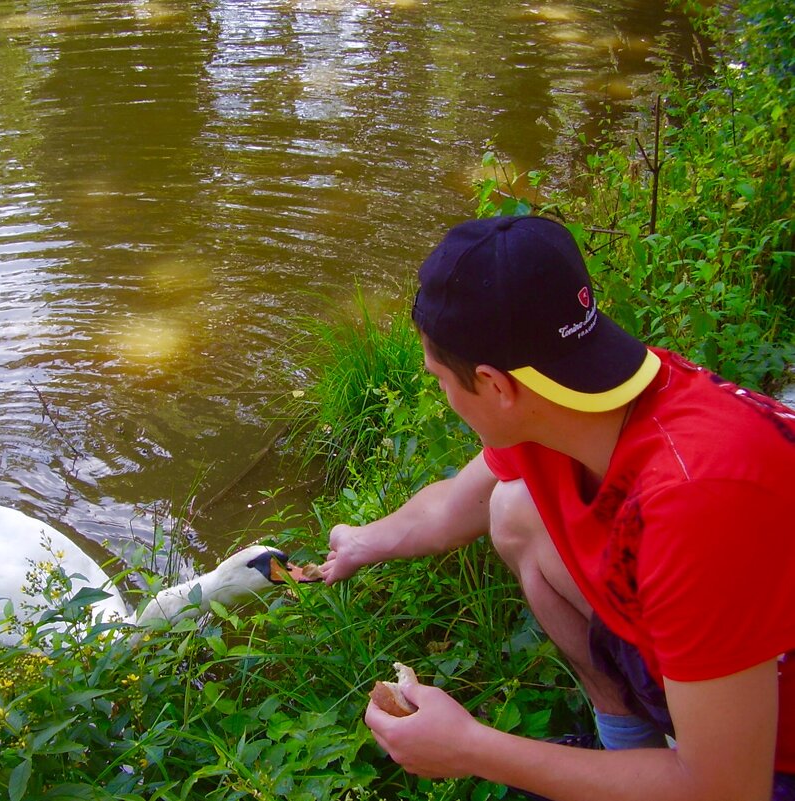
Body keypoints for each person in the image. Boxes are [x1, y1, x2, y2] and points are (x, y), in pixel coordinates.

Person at [319, 215, 795, 800]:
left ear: (495, 387)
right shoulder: (579, 400)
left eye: (440, 378)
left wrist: (472, 748)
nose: (443, 397)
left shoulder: (694, 501)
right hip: (734, 681)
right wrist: (362, 542)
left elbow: (726, 790)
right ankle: (631, 749)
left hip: (764, 754)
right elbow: (452, 509)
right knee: (514, 509)